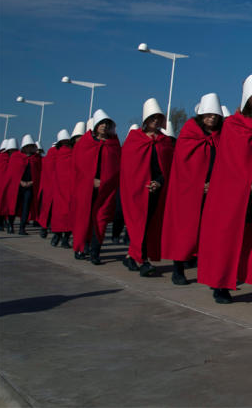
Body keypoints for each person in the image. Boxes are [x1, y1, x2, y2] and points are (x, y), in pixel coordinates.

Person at [197, 74, 252, 308]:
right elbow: (227, 165)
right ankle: (221, 284)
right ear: (248, 99)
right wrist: (246, 186)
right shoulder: (233, 126)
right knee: (228, 237)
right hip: (236, 195)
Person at [161, 93, 223, 286]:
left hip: (214, 192)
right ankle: (178, 269)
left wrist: (214, 183)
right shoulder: (189, 134)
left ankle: (210, 273)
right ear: (201, 115)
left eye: (215, 115)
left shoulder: (221, 136)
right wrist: (199, 184)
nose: (212, 118)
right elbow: (183, 165)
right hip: (188, 192)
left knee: (210, 235)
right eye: (208, 114)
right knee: (184, 232)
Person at [120, 98, 175, 277]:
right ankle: (142, 261)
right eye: (152, 118)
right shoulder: (134, 140)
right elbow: (129, 168)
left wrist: (158, 182)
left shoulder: (165, 142)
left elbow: (166, 167)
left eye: (158, 118)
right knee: (138, 224)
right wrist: (141, 183)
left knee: (149, 224)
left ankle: (132, 256)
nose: (156, 121)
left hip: (157, 189)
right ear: (146, 120)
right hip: (137, 191)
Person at [72, 110, 121, 264]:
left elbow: (117, 167)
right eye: (101, 123)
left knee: (101, 220)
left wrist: (106, 182)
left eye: (107, 124)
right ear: (95, 125)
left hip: (106, 190)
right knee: (84, 218)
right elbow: (78, 167)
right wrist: (90, 181)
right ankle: (80, 247)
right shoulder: (85, 143)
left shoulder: (114, 145)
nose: (104, 126)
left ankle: (95, 252)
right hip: (86, 189)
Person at [3, 135, 42, 235]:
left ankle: (22, 228)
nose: (30, 147)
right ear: (24, 147)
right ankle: (10, 225)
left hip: (30, 186)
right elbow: (12, 174)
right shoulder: (16, 157)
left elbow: (39, 173)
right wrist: (20, 181)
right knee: (14, 207)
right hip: (17, 187)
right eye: (28, 146)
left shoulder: (36, 158)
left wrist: (32, 182)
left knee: (26, 207)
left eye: (31, 146)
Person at [0, 138, 19, 232]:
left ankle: (10, 225)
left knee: (12, 207)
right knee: (1, 206)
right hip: (1, 187)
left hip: (12, 187)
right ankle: (0, 223)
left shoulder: (16, 159)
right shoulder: (0, 159)